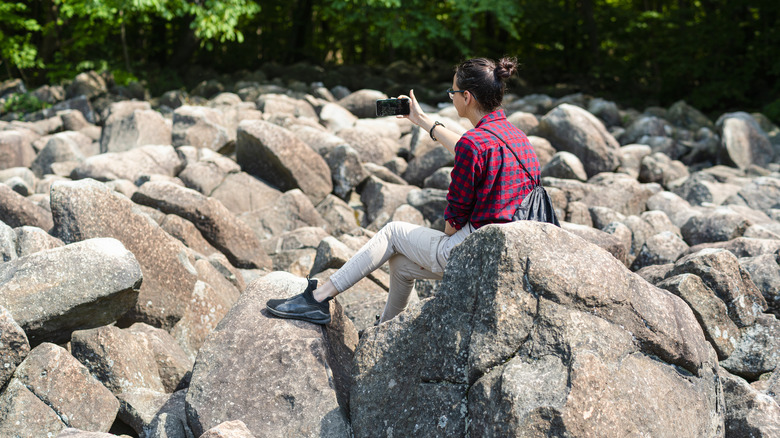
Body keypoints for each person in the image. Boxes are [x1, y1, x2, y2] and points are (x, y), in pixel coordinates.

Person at [266, 57, 541, 325]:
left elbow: (452, 224)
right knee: (400, 264)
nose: (451, 97)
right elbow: (470, 149)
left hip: (477, 252)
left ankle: (317, 298)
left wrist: (448, 233)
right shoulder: (517, 137)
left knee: (393, 232)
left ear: (466, 97)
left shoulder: (474, 145)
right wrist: (421, 119)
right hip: (511, 252)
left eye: (452, 92)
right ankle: (385, 332)